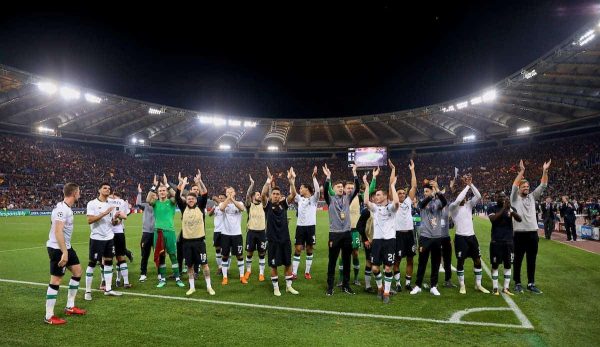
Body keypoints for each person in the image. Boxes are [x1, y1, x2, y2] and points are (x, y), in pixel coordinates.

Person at [44, 183, 87, 324]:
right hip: (57, 248)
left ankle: (70, 306)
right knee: (56, 280)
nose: (80, 193)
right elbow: (58, 231)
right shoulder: (62, 209)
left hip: (66, 247)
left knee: (77, 271)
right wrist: (64, 252)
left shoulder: (67, 208)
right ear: (74, 193)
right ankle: (49, 316)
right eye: (79, 191)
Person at [510, 159, 551, 294]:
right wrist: (522, 171)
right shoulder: (514, 199)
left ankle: (531, 283)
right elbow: (514, 186)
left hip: (533, 234)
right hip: (520, 234)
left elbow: (543, 185)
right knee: (518, 260)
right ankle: (517, 283)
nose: (526, 189)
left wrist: (545, 171)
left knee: (531, 260)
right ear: (519, 189)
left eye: (527, 187)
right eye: (524, 187)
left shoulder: (532, 197)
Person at [362, 162, 400, 304]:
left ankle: (386, 292)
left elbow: (396, 203)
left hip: (390, 241)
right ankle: (379, 287)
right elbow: (366, 201)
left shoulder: (390, 208)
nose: (375, 197)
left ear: (384, 196)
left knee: (388, 267)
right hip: (377, 241)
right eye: (375, 195)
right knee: (375, 267)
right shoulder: (375, 208)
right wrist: (367, 184)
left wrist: (392, 186)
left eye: (378, 195)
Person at [175, 175, 215, 296]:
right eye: (188, 199)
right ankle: (192, 287)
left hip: (199, 242)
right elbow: (177, 196)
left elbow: (205, 193)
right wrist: (181, 184)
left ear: (196, 200)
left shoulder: (201, 206)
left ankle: (209, 286)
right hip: (187, 242)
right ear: (186, 200)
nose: (191, 200)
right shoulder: (183, 208)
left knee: (204, 265)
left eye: (192, 199)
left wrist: (199, 181)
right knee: (190, 266)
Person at [261, 167, 299, 296]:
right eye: (274, 194)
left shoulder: (283, 205)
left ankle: (289, 286)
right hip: (272, 241)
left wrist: (291, 182)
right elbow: (262, 195)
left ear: (280, 196)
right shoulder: (267, 206)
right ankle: (276, 288)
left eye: (278, 194)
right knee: (274, 265)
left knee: (288, 263)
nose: (276, 196)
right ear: (271, 195)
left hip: (285, 239)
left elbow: (293, 195)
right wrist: (268, 181)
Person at [449, 175, 489, 294]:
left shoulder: (469, 205)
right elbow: (458, 200)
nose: (464, 198)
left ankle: (478, 284)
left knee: (477, 261)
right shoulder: (453, 207)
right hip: (460, 238)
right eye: (463, 196)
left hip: (472, 237)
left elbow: (478, 196)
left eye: (465, 197)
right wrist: (466, 186)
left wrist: (471, 184)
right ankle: (462, 285)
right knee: (460, 262)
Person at [323, 163, 359, 296]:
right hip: (335, 235)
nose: (339, 188)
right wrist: (328, 177)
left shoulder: (348, 198)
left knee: (346, 260)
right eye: (337, 187)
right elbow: (325, 188)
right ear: (333, 189)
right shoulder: (330, 199)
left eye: (341, 187)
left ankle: (346, 285)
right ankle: (330, 286)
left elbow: (357, 188)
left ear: (343, 189)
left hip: (347, 234)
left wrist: (355, 173)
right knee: (332, 261)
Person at [410, 177, 447, 296]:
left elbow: (444, 202)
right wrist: (431, 195)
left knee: (435, 263)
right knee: (422, 262)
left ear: (432, 191)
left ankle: (433, 286)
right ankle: (418, 285)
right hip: (425, 237)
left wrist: (437, 189)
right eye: (425, 192)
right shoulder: (423, 202)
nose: (425, 193)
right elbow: (421, 205)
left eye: (427, 191)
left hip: (437, 237)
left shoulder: (438, 203)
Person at [85, 182, 122, 300]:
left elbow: (111, 222)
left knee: (109, 262)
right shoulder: (92, 203)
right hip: (97, 238)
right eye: (105, 188)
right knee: (92, 264)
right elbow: (90, 220)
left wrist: (116, 219)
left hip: (109, 237)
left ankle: (108, 289)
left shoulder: (110, 204)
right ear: (99, 190)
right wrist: (104, 213)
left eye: (109, 188)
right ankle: (87, 292)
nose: (107, 190)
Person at [147, 174, 185, 288]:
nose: (162, 192)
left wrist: (167, 185)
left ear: (166, 192)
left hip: (170, 232)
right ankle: (162, 279)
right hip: (158, 233)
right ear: (158, 193)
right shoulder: (156, 203)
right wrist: (154, 186)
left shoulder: (172, 202)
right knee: (161, 256)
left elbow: (176, 196)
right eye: (160, 191)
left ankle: (177, 278)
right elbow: (148, 199)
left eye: (164, 190)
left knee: (173, 255)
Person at [488, 190, 522, 296]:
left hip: (508, 242)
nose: (502, 199)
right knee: (495, 265)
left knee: (508, 265)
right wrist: (504, 208)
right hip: (496, 241)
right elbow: (493, 219)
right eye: (500, 197)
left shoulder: (510, 209)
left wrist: (511, 210)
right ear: (496, 198)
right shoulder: (492, 208)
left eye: (504, 197)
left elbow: (519, 219)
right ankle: (495, 288)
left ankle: (506, 288)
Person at [393, 159, 417, 293]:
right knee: (396, 260)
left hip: (409, 234)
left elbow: (413, 186)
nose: (402, 194)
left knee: (410, 259)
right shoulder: (394, 203)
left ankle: (408, 283)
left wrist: (412, 170)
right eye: (399, 193)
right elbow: (391, 187)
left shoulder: (408, 201)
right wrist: (393, 175)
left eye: (403, 193)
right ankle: (397, 283)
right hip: (398, 234)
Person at [292, 166, 320, 280]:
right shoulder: (299, 199)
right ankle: (294, 273)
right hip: (300, 228)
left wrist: (314, 178)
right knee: (298, 249)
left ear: (307, 189)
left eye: (301, 188)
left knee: (309, 249)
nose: (300, 189)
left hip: (310, 228)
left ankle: (307, 272)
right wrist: (292, 181)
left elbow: (317, 191)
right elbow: (293, 193)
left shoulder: (313, 200)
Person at [219, 185, 247, 285]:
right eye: (228, 192)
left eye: (231, 192)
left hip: (237, 234)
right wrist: (228, 199)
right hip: (225, 234)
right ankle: (225, 277)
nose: (230, 193)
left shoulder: (239, 203)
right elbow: (222, 208)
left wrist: (232, 199)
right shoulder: (223, 203)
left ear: (235, 193)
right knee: (225, 256)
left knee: (239, 256)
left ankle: (242, 276)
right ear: (225, 194)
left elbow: (242, 208)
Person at [244, 174, 267, 282]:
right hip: (251, 232)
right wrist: (252, 184)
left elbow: (265, 195)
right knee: (249, 253)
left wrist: (268, 182)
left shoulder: (263, 205)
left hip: (262, 232)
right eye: (257, 194)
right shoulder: (249, 205)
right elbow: (248, 194)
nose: (259, 196)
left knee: (262, 253)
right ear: (253, 197)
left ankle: (261, 273)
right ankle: (248, 271)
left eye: (259, 194)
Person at [108, 190, 131, 288]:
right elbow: (126, 215)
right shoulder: (122, 202)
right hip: (119, 232)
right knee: (120, 257)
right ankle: (124, 281)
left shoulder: (104, 202)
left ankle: (108, 282)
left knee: (107, 259)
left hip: (108, 233)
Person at [135, 183, 155, 282]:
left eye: (155, 196)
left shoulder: (159, 205)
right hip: (146, 233)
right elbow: (138, 203)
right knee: (145, 255)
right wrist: (139, 192)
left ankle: (160, 273)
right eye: (151, 196)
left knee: (159, 254)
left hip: (156, 232)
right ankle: (143, 273)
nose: (153, 197)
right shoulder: (146, 206)